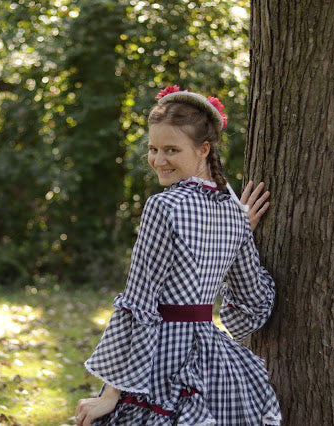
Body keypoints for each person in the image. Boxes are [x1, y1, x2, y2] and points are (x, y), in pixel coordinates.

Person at [75, 86, 281, 425]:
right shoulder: (234, 214)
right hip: (213, 357)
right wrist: (239, 228)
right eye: (153, 148)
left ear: (203, 149)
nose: (158, 160)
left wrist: (111, 393)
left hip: (159, 356)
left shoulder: (163, 206)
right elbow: (253, 302)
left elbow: (138, 302)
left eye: (171, 149)